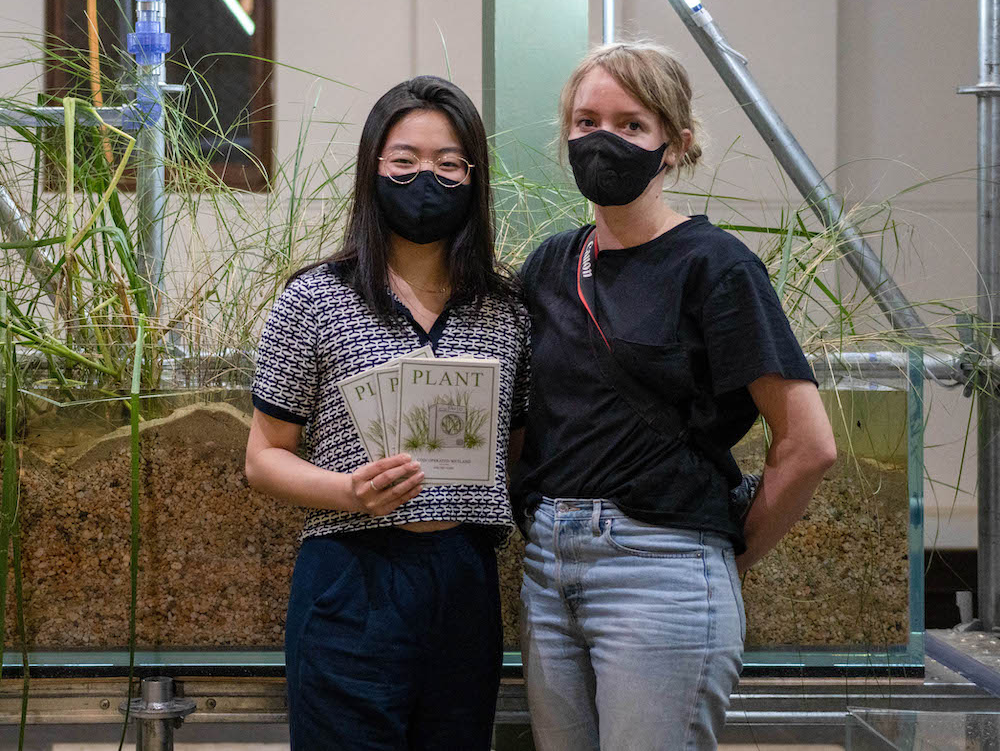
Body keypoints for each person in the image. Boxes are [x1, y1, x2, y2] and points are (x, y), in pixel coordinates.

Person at [510, 42, 837, 751]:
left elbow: (809, 445)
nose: (604, 139)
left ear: (675, 143)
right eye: (587, 119)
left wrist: (725, 554)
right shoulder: (548, 264)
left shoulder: (715, 266)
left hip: (662, 569)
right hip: (547, 570)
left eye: (631, 124)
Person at [246, 75, 529, 750]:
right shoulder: (315, 298)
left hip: (464, 578)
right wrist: (347, 489)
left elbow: (513, 451)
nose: (425, 177)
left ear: (474, 176)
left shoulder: (508, 310)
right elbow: (263, 457)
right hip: (351, 572)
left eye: (448, 163)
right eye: (404, 161)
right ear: (374, 168)